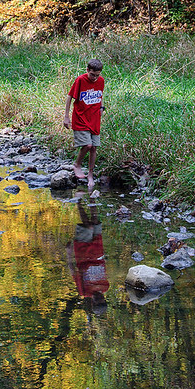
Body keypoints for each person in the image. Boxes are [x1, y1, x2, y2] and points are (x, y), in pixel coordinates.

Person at [63, 59, 104, 189]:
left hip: (94, 118)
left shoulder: (101, 81)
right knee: (87, 145)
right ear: (87, 70)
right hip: (80, 117)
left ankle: (90, 174)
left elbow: (100, 95)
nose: (94, 78)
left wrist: (101, 107)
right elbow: (70, 97)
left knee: (94, 147)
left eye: (97, 75)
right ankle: (77, 165)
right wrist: (66, 117)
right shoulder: (80, 80)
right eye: (92, 74)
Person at [66, 198, 109, 316]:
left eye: (97, 301)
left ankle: (78, 201)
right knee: (95, 222)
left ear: (92, 303)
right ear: (105, 300)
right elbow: (104, 269)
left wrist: (69, 254)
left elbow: (74, 272)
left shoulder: (84, 291)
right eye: (102, 300)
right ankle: (92, 197)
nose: (99, 297)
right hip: (98, 251)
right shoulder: (106, 287)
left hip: (83, 253)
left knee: (88, 226)